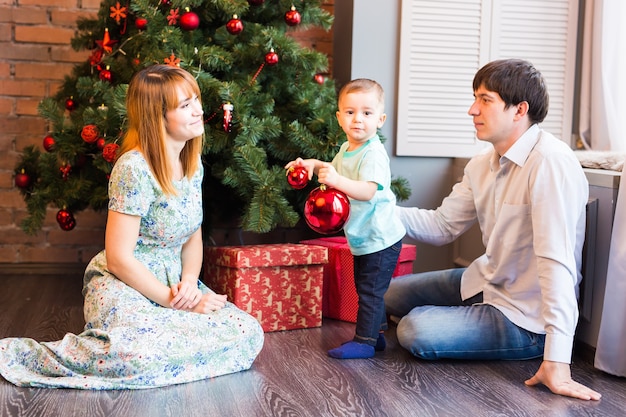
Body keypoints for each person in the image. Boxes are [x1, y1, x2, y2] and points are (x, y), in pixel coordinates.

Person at [0, 65, 264, 389]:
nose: (199, 111)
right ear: (157, 115)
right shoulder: (133, 168)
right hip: (126, 281)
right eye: (185, 105)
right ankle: (25, 356)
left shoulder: (191, 165)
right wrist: (173, 301)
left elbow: (191, 238)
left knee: (248, 333)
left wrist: (190, 286)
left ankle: (169, 348)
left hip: (175, 282)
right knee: (135, 354)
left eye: (196, 100)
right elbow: (119, 259)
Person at [384, 59, 601, 400]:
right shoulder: (482, 164)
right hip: (487, 281)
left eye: (485, 99)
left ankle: (490, 333)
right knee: (389, 293)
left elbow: (557, 263)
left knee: (415, 329)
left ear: (519, 110)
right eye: (475, 98)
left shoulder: (550, 163)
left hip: (526, 317)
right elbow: (443, 226)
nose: (473, 110)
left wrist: (557, 358)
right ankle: (463, 320)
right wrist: (377, 209)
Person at [286, 79, 406, 359]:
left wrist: (338, 180)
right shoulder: (347, 148)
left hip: (381, 237)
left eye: (367, 113)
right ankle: (375, 337)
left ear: (380, 120)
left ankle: (364, 342)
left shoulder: (373, 153)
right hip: (364, 237)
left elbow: (367, 190)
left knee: (370, 291)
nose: (358, 119)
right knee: (365, 286)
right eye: (350, 112)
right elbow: (332, 169)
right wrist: (312, 165)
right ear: (340, 118)